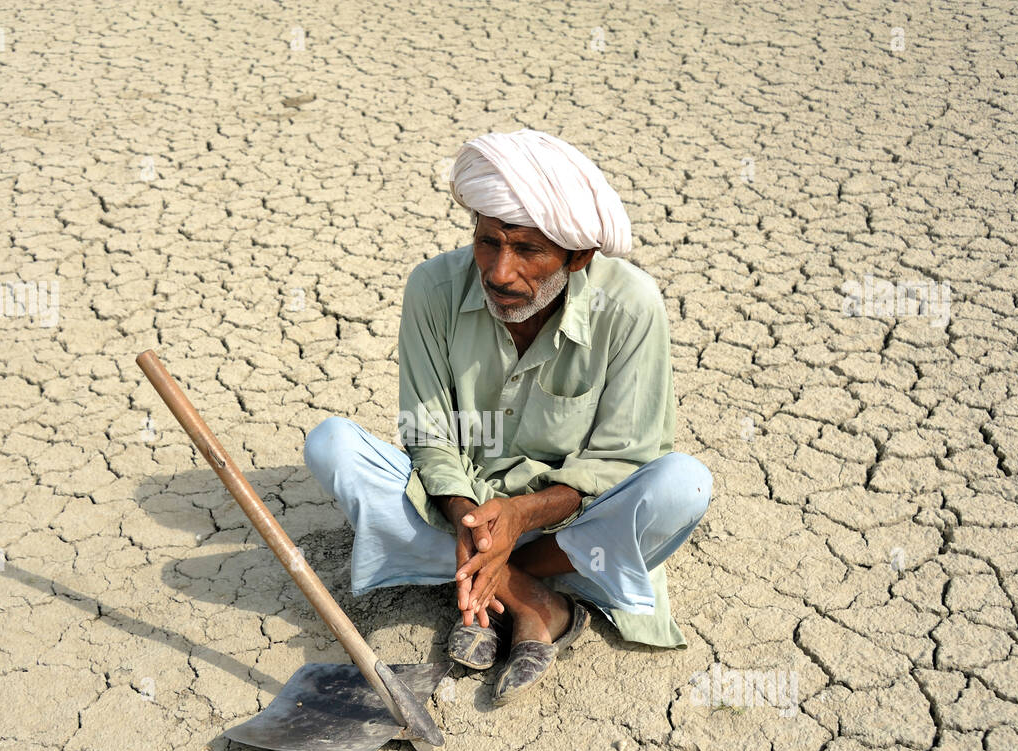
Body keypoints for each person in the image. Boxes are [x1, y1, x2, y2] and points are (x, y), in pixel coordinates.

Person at [304, 128, 712, 705]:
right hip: (457, 519)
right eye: (489, 242)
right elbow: (429, 433)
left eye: (528, 251)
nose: (499, 271)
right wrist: (472, 521)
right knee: (332, 446)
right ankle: (529, 596)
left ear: (579, 256)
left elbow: (624, 455)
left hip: (570, 528)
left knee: (683, 484)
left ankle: (486, 579)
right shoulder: (432, 288)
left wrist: (520, 516)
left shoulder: (630, 306)